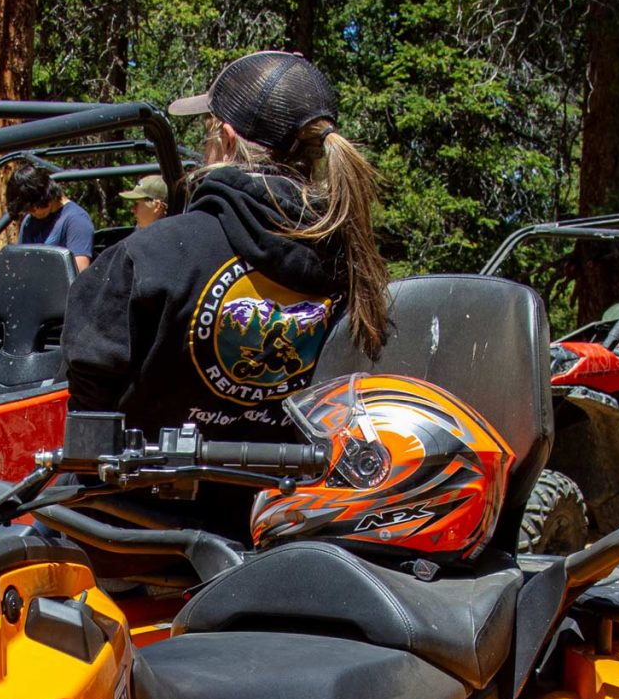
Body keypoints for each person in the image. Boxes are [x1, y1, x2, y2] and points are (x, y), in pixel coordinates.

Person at [62, 49, 388, 442]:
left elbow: (90, 393)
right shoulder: (357, 265)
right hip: (282, 498)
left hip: (140, 498)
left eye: (208, 131)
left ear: (227, 141)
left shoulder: (149, 256)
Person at [8, 160, 94, 265]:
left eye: (33, 208)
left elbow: (79, 275)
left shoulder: (76, 221)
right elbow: (20, 264)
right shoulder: (29, 221)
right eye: (27, 210)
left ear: (45, 196)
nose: (31, 213)